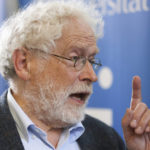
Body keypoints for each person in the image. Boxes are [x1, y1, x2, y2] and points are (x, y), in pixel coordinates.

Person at [0, 1, 149, 150]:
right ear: (23, 63)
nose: (91, 76)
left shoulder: (107, 139)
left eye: (91, 61)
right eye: (75, 58)